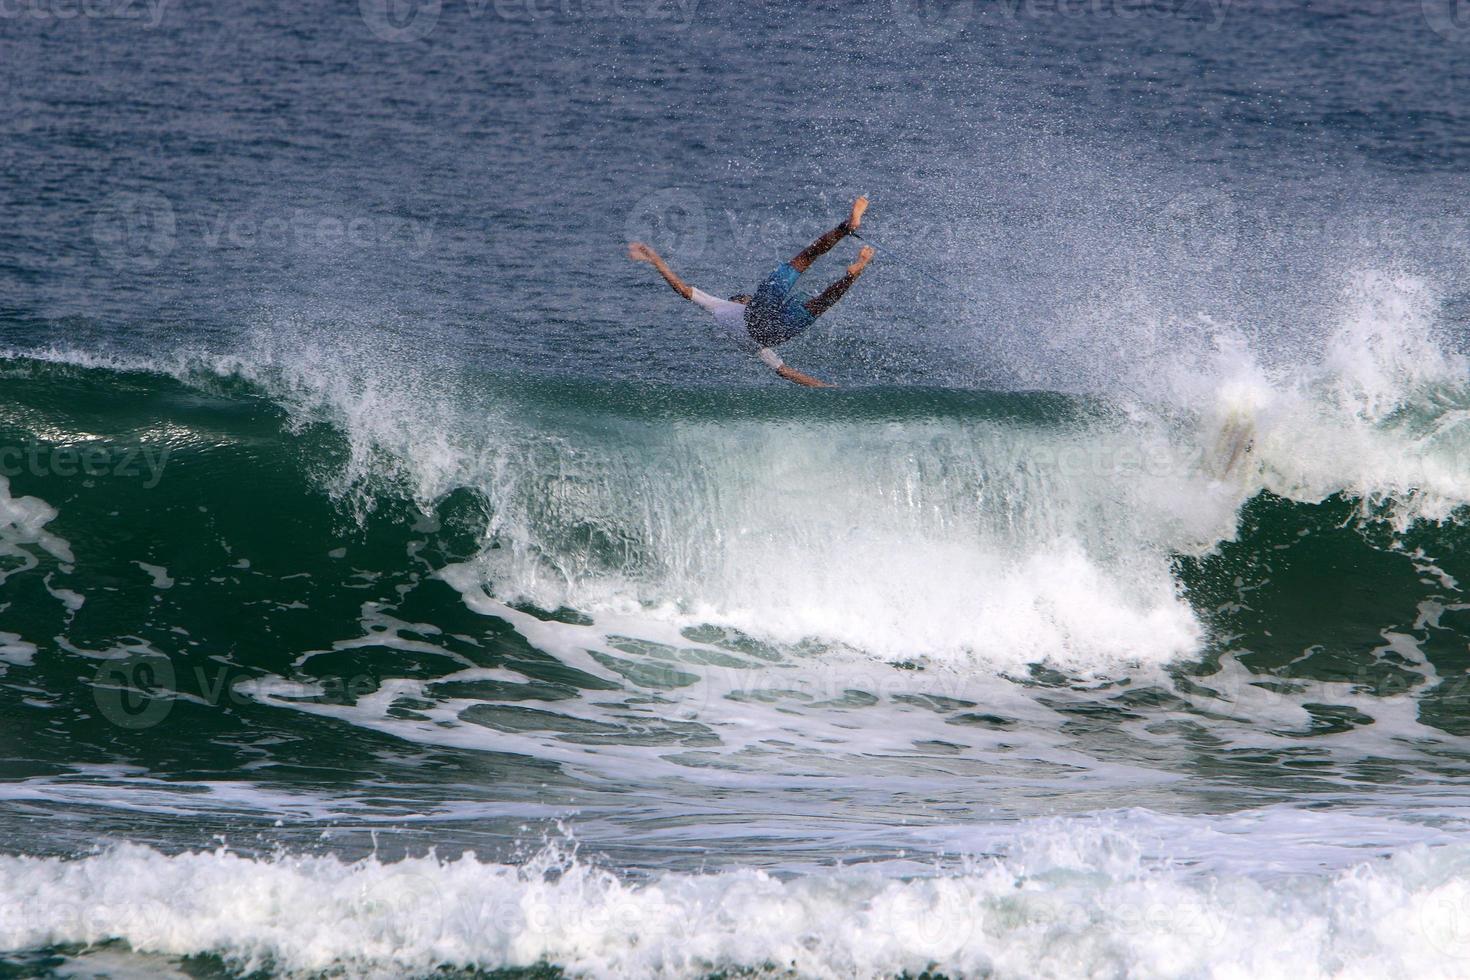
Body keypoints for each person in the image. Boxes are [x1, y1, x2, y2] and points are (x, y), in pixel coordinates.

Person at [627, 196, 875, 388]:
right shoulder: (724, 306)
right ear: (741, 301)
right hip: (759, 324)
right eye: (747, 298)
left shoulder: (748, 344)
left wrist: (827, 388)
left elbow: (786, 372)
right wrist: (655, 258)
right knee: (804, 258)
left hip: (772, 336)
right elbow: (681, 289)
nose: (749, 297)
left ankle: (852, 274)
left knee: (822, 303)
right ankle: (846, 227)